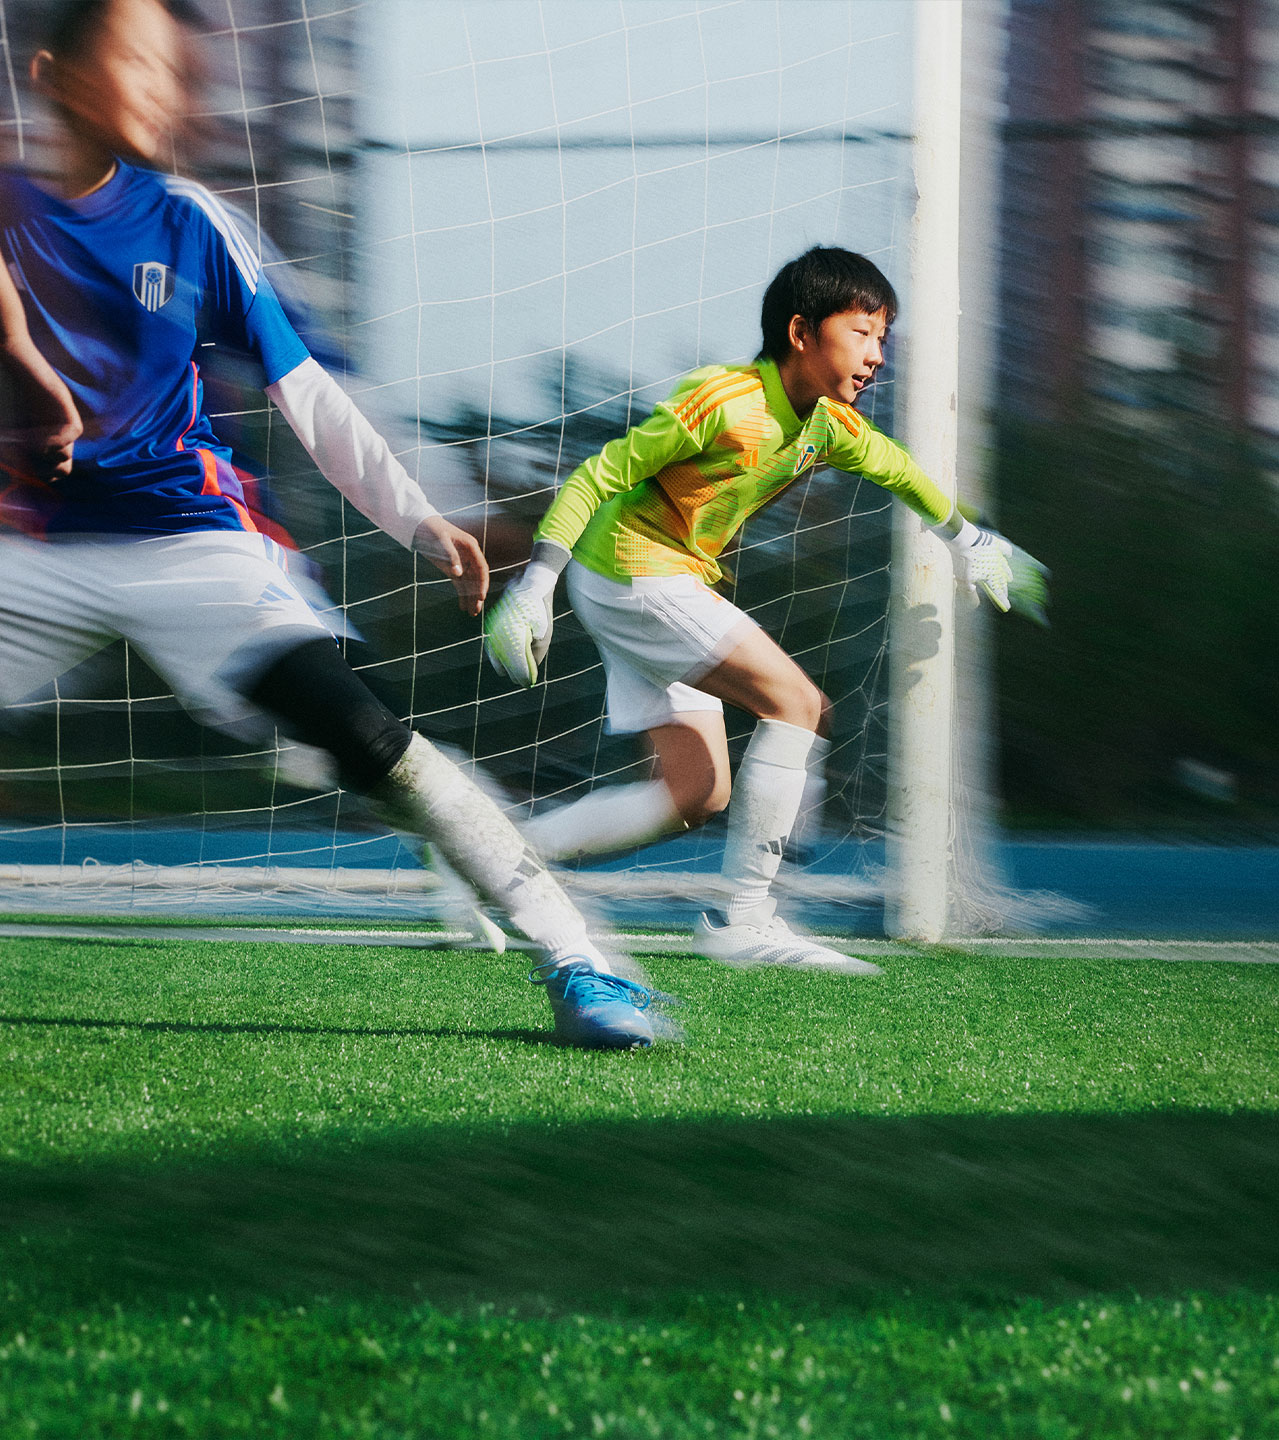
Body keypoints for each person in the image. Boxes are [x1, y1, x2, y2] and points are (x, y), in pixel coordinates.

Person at [0, 0, 660, 1049]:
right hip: (33, 551)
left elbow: (306, 392)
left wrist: (416, 516)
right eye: (137, 61)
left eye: (177, 71)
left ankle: (580, 961)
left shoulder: (192, 223)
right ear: (53, 75)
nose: (167, 89)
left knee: (368, 741)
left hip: (196, 547)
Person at [484, 246, 1048, 972]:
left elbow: (900, 470)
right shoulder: (724, 400)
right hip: (630, 573)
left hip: (659, 581)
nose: (877, 355)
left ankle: (488, 859)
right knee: (799, 705)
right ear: (800, 333)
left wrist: (970, 540)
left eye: (883, 338)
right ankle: (742, 920)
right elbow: (598, 474)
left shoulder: (827, 426)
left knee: (695, 794)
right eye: (861, 333)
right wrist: (534, 586)